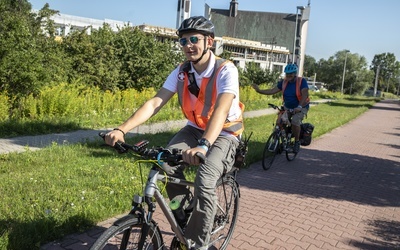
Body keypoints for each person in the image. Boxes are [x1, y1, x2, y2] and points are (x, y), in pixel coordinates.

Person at [105, 16, 244, 249]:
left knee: (205, 178)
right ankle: (187, 213)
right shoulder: (182, 71)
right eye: (183, 41)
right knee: (164, 164)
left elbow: (221, 110)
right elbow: (155, 102)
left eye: (193, 39)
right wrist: (121, 129)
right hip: (194, 128)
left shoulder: (225, 70)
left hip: (225, 133)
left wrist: (203, 145)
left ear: (209, 42)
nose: (188, 45)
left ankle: (198, 243)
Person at [251, 63, 309, 153]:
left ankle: (297, 142)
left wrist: (299, 106)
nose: (288, 76)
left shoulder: (301, 81)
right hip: (287, 107)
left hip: (301, 106)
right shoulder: (284, 82)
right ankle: (278, 141)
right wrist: (259, 90)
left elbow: (305, 94)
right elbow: (272, 90)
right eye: (287, 74)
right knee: (279, 122)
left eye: (291, 74)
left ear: (295, 74)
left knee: (295, 121)